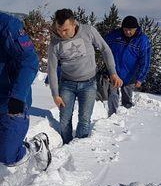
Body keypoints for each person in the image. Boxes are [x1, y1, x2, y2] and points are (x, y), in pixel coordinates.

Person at [0, 10, 51, 186]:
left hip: (12, 102)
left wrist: (18, 96)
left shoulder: (6, 25)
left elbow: (30, 60)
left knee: (7, 155)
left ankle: (35, 145)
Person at [47, 9, 122, 145]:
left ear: (74, 24)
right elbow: (51, 69)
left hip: (89, 84)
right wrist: (55, 94)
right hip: (67, 84)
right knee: (64, 120)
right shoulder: (55, 43)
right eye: (58, 29)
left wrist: (113, 72)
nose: (61, 33)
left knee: (84, 119)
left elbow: (105, 49)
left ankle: (78, 147)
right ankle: (66, 144)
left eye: (65, 30)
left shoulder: (88, 31)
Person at [105, 15, 152, 115]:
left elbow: (145, 61)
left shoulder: (142, 40)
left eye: (130, 30)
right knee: (113, 95)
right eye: (125, 29)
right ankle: (112, 116)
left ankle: (127, 117)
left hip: (130, 74)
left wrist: (140, 78)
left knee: (127, 98)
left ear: (136, 29)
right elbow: (103, 45)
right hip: (115, 73)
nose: (127, 32)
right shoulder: (115, 35)